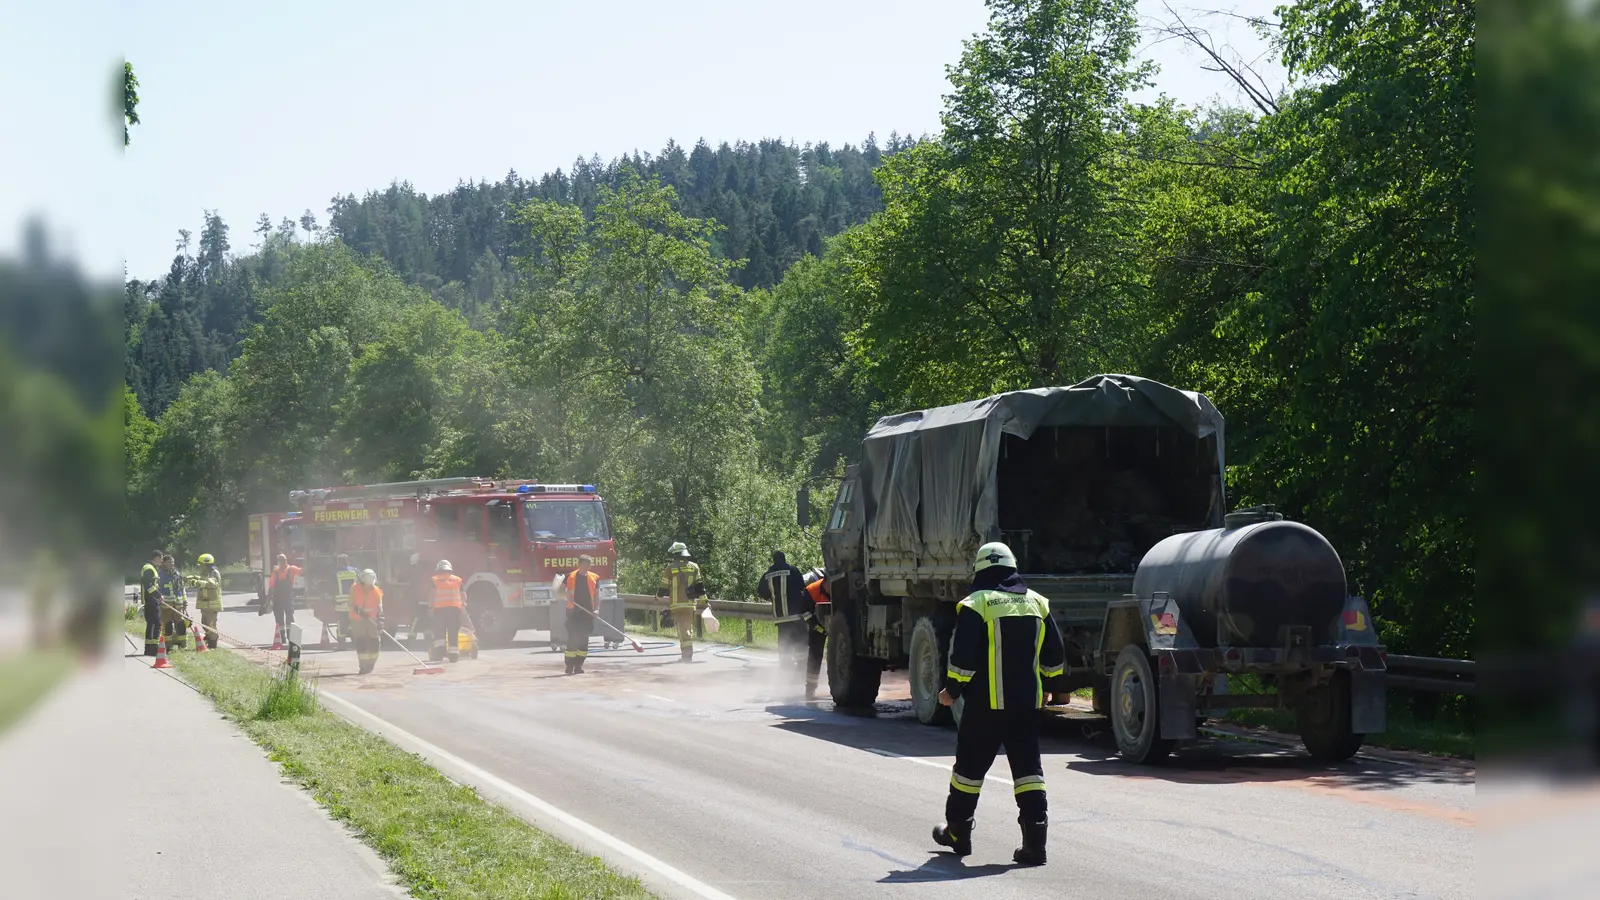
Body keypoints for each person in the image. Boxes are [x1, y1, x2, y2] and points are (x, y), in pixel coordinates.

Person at [932, 541, 1068, 867]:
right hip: (1026, 707)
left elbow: (962, 658)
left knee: (968, 772)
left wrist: (952, 690)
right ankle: (1035, 845)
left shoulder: (976, 604)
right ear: (1012, 569)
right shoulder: (1037, 603)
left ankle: (958, 834)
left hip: (984, 708)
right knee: (1028, 773)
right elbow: (1055, 654)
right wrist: (1051, 685)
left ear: (980, 571)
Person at [758, 550, 812, 694]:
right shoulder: (793, 571)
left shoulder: (767, 575)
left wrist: (773, 597)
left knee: (785, 645)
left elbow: (762, 592)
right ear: (784, 558)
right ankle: (800, 671)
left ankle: (786, 671)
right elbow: (802, 587)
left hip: (781, 618)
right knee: (801, 643)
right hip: (795, 615)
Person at [656, 541, 706, 662]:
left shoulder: (671, 568)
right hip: (690, 605)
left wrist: (658, 597)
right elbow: (700, 587)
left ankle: (686, 656)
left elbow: (663, 587)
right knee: (687, 628)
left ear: (676, 555)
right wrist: (705, 601)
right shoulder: (694, 567)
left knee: (682, 630)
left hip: (677, 605)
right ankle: (687, 655)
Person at [560, 555, 600, 674]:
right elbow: (560, 590)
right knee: (573, 638)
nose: (588, 566)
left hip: (588, 613)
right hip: (573, 612)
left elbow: (597, 596)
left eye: (589, 564)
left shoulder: (594, 578)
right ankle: (569, 665)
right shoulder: (570, 576)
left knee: (583, 640)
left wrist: (596, 609)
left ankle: (578, 665)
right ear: (580, 564)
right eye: (586, 564)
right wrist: (568, 597)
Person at [798, 569, 830, 700]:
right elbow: (805, 612)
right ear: (824, 582)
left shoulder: (841, 589)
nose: (830, 590)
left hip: (837, 624)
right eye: (829, 586)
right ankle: (810, 688)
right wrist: (818, 628)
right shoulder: (811, 591)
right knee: (815, 655)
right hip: (817, 625)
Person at [348, 568, 383, 674]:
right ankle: (363, 666)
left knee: (375, 642)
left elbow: (379, 606)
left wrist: (380, 619)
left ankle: (371, 664)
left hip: (372, 620)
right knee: (360, 641)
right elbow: (350, 603)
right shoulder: (354, 588)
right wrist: (358, 610)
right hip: (357, 619)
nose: (369, 586)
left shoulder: (377, 590)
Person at [430, 559, 464, 663]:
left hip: (439, 610)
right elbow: (464, 596)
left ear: (439, 569)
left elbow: (432, 595)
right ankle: (453, 656)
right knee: (453, 632)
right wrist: (462, 603)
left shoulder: (435, 580)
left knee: (439, 633)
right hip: (454, 611)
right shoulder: (457, 580)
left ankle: (438, 655)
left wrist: (430, 607)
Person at [267, 553, 301, 650]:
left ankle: (291, 637)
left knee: (290, 617)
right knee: (279, 619)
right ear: (278, 562)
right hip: (278, 598)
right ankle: (282, 637)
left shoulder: (291, 569)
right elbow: (271, 586)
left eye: (284, 560)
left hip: (288, 597)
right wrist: (268, 600)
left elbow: (301, 571)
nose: (283, 562)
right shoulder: (276, 572)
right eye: (281, 560)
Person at [192, 553, 223, 650]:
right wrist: (195, 578)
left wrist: (198, 582)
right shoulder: (206, 573)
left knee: (210, 625)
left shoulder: (214, 572)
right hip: (206, 605)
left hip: (212, 605)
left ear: (206, 564)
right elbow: (205, 580)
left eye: (200, 564)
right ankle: (209, 641)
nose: (199, 566)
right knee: (205, 623)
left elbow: (213, 584)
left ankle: (213, 644)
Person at [158, 554, 189, 650]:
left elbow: (182, 588)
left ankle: (183, 644)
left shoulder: (177, 573)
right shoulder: (159, 574)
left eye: (172, 562)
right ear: (163, 563)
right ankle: (168, 645)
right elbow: (156, 588)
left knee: (180, 623)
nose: (172, 564)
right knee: (167, 624)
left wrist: (185, 601)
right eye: (169, 562)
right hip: (166, 604)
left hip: (178, 603)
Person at [140, 550, 165, 656]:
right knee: (155, 624)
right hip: (151, 601)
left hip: (152, 600)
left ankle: (150, 648)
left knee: (152, 624)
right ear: (156, 558)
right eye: (161, 558)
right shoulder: (149, 569)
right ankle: (152, 649)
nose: (162, 561)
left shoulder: (151, 568)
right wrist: (158, 595)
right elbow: (148, 585)